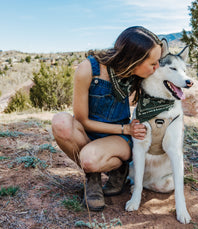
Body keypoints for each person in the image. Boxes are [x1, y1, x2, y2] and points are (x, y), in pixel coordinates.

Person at [51, 26, 162, 211]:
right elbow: (82, 121)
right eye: (153, 63)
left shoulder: (139, 75)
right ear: (134, 61)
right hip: (92, 133)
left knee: (89, 159)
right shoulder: (88, 69)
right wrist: (124, 129)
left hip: (119, 141)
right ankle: (93, 178)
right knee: (60, 122)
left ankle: (118, 170)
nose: (157, 67)